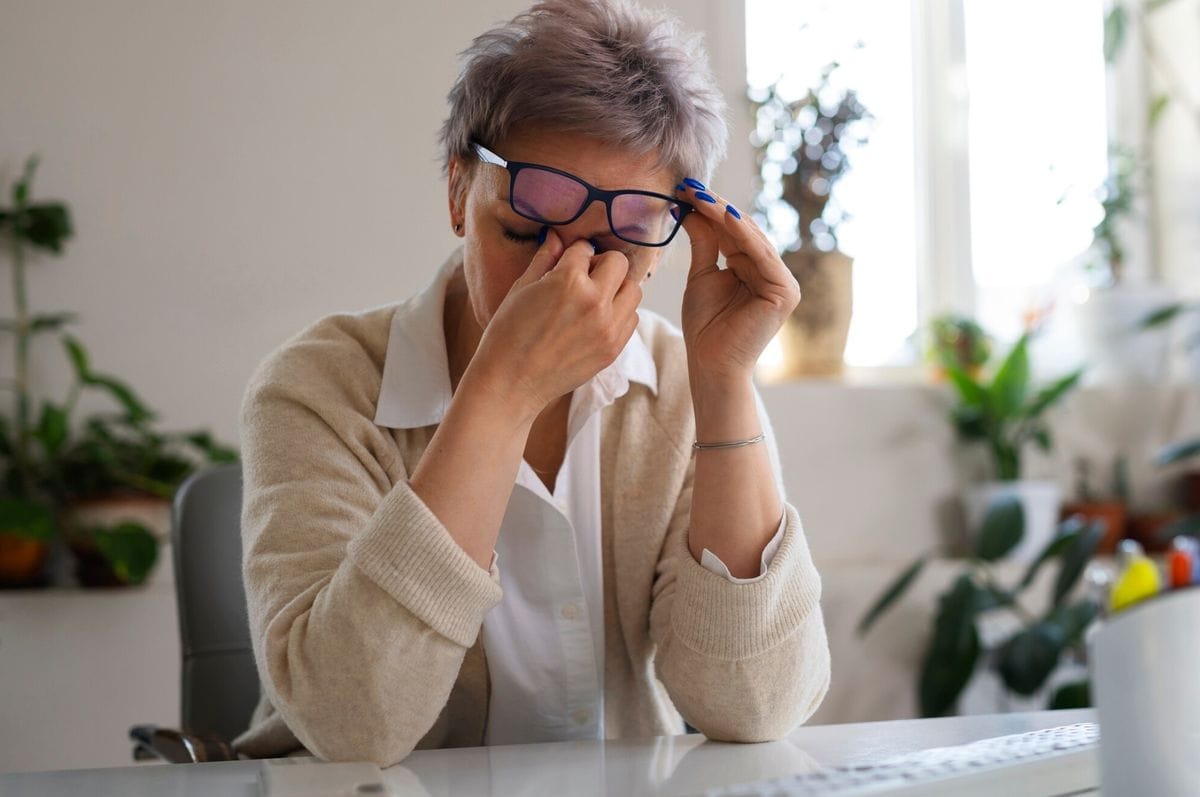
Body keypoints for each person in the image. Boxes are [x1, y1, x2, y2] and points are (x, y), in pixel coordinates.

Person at [234, 0, 829, 766]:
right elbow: (350, 724)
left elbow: (753, 705)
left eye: (615, 244)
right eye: (524, 229)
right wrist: (503, 392)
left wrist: (725, 381)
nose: (565, 278)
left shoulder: (684, 383)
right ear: (458, 193)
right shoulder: (319, 386)